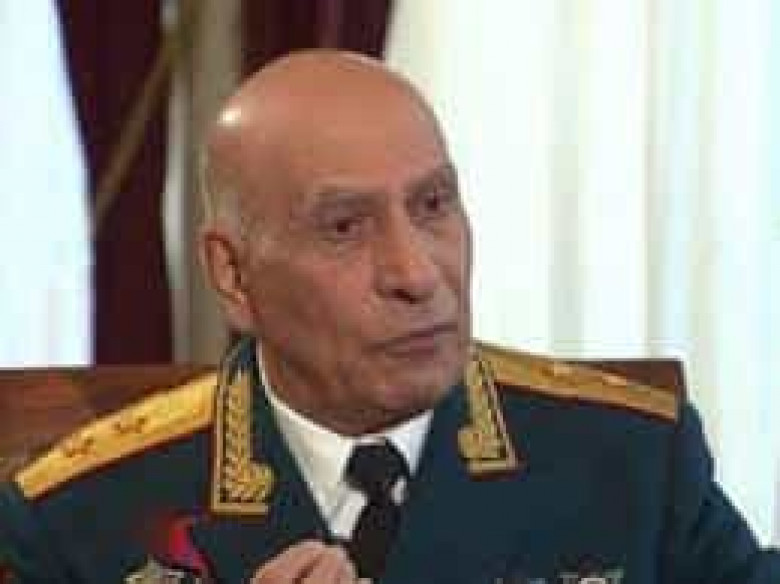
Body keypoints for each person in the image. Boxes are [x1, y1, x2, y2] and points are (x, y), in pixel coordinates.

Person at [1, 49, 778, 584]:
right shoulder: (77, 516)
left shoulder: (634, 461)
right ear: (233, 274)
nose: (416, 273)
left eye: (433, 205)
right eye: (345, 226)